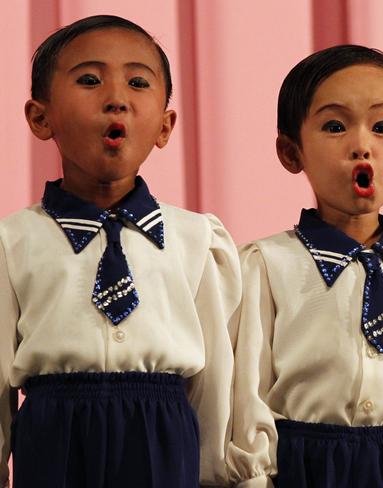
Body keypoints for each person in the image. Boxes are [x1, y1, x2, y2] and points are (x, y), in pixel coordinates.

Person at [0, 15, 240, 488]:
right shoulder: (13, 242)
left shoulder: (197, 240)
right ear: (40, 117)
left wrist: (220, 476)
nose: (116, 98)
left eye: (138, 82)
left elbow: (215, 387)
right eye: (90, 80)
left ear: (165, 126)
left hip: (163, 440)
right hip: (54, 441)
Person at [226, 45, 383, 487]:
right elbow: (246, 399)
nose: (362, 146)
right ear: (292, 152)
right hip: (306, 467)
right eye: (334, 126)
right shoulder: (265, 265)